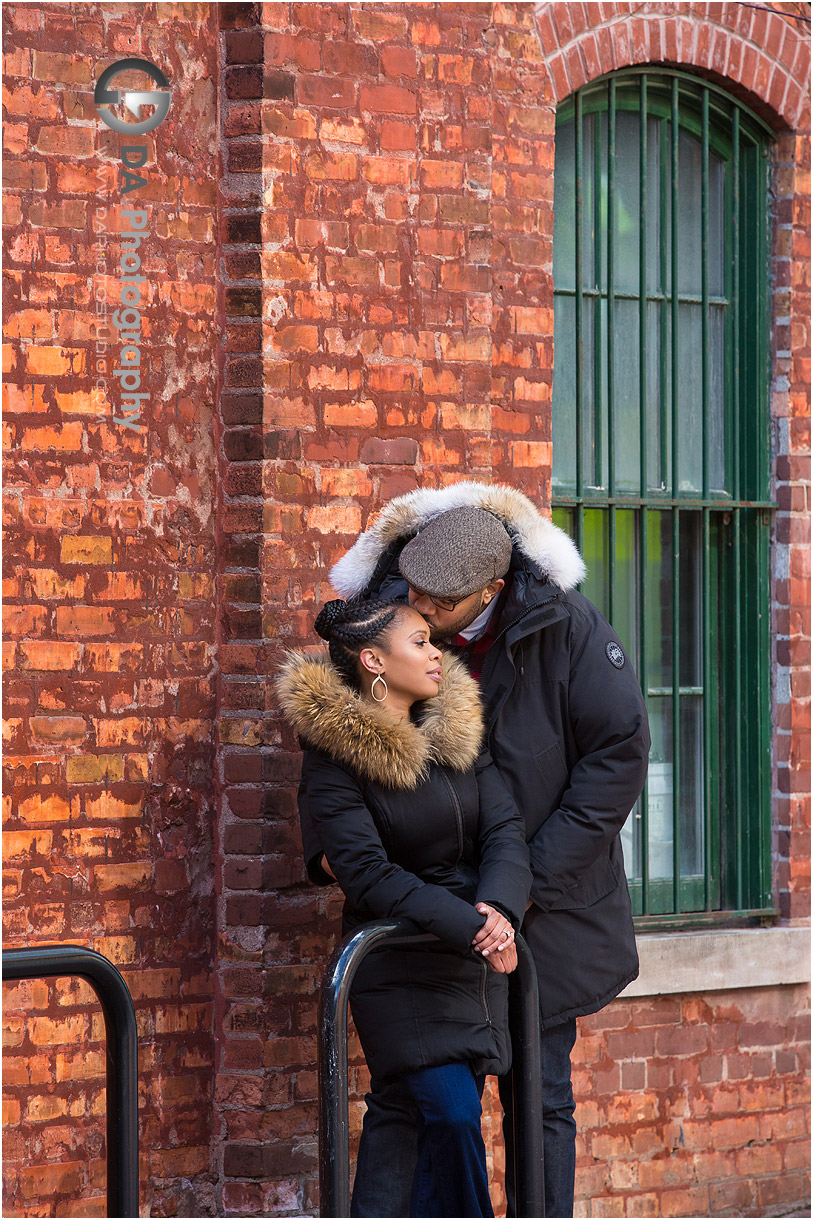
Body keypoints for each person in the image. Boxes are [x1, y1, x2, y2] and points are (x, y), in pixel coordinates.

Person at [300, 481, 651, 1218]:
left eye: (440, 605)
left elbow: (616, 758)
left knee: (538, 1095)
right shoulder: (395, 605)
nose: (421, 611)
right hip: (421, 915)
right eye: (415, 595)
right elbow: (334, 731)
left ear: (490, 591)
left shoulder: (571, 628)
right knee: (409, 1104)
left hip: (542, 909)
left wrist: (521, 886)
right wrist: (328, 848)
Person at [277, 596, 532, 1218]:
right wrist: (472, 927)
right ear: (374, 661)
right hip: (399, 959)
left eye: (432, 641)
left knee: (409, 1122)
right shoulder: (334, 758)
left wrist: (499, 909)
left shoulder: (461, 734)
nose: (437, 654)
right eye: (420, 643)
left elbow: (504, 829)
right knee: (449, 1112)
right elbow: (365, 873)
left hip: (469, 958)